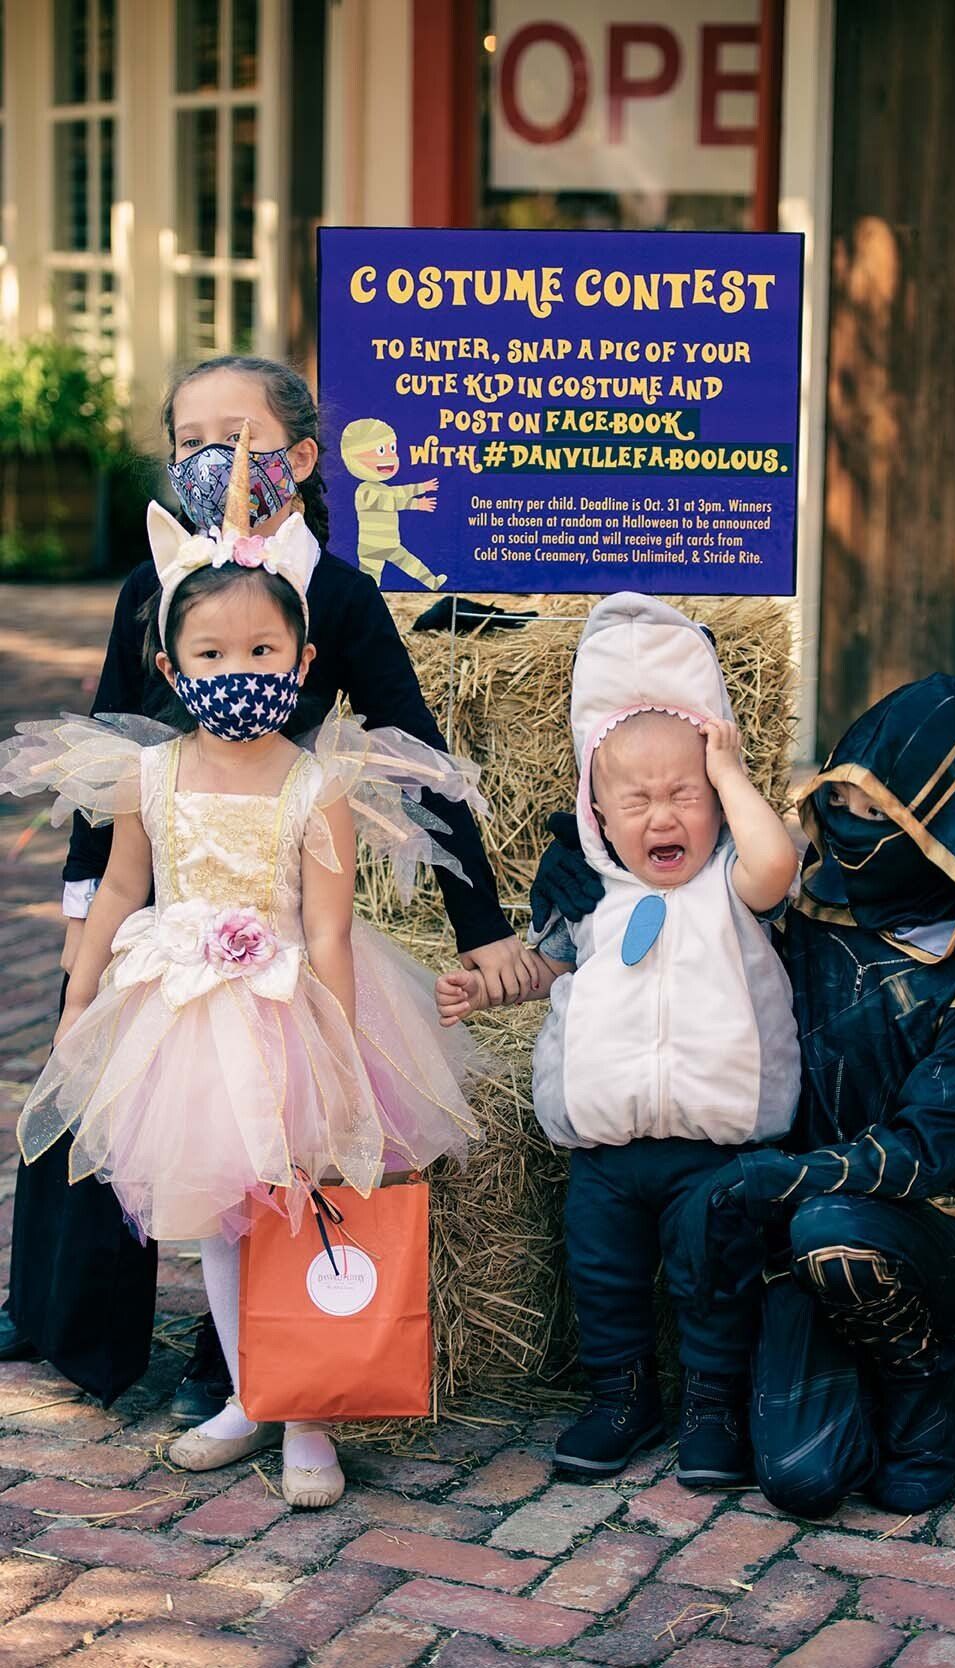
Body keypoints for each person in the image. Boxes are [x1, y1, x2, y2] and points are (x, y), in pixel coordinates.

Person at [0, 355, 532, 1414]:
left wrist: (481, 924)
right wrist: (79, 914)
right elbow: (111, 751)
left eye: (234, 436)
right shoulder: (153, 586)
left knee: (263, 1133)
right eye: (188, 437)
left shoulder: (338, 592)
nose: (211, 459)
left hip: (276, 893)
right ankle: (63, 1312)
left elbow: (415, 759)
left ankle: (238, 1350)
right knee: (112, 1095)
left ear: (296, 457)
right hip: (166, 876)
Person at [533, 673, 955, 1516]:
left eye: (884, 814)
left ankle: (921, 1397)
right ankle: (824, 1386)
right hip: (799, 1215)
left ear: (943, 826)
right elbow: (699, 893)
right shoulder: (803, 912)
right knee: (802, 1480)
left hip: (935, 1218)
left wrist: (774, 1180)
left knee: (830, 1231)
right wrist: (581, 858)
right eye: (844, 804)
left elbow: (924, 1153)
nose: (854, 830)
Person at [436, 595, 800, 1486]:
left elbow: (778, 862)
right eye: (634, 800)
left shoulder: (734, 887)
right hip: (605, 1150)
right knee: (602, 1280)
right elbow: (544, 967)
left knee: (711, 1281)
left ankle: (713, 1407)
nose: (661, 817)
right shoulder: (588, 896)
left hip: (716, 1146)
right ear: (595, 810)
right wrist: (484, 984)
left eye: (684, 795)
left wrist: (732, 769)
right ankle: (619, 1397)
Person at [340, 416, 446, 589]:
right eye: (381, 450)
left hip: (390, 543)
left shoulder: (382, 487)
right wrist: (416, 504)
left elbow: (400, 491)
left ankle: (433, 583)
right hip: (372, 547)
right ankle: (364, 603)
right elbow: (388, 502)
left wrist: (422, 487)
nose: (390, 457)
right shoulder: (365, 490)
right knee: (369, 581)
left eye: (392, 449)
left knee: (411, 564)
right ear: (354, 459)